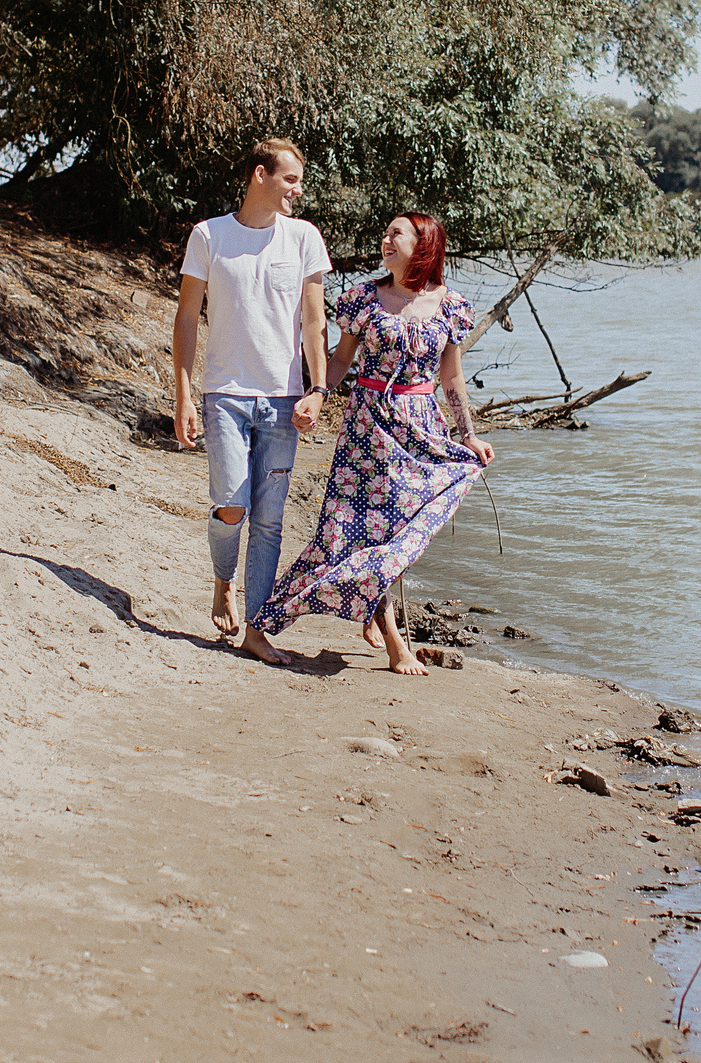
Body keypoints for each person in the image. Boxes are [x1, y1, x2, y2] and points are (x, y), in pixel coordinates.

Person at [249, 211, 493, 674]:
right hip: (368, 430)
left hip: (422, 431)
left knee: (400, 535)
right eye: (385, 232)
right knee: (352, 532)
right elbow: (341, 360)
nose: (385, 239)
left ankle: (372, 607)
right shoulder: (364, 298)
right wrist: (317, 395)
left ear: (424, 244)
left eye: (395, 233)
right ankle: (393, 641)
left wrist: (469, 435)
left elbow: (452, 376)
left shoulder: (451, 305)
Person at [173, 138, 332, 666]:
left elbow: (314, 320)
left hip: (284, 400)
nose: (298, 190)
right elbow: (187, 319)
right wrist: (183, 395)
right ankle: (224, 581)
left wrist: (317, 387)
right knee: (232, 505)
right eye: (291, 179)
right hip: (225, 394)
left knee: (269, 520)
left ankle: (257, 629)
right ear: (260, 174)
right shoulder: (209, 235)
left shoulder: (305, 238)